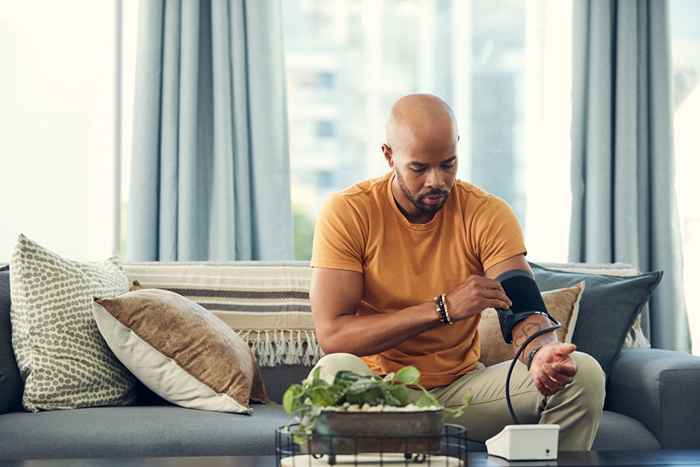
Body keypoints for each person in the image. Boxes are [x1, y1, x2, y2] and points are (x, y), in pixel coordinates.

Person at [308, 94, 605, 451]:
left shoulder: (486, 213)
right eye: (419, 168)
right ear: (389, 155)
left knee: (583, 373)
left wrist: (541, 352)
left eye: (448, 164)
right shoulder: (350, 212)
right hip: (378, 393)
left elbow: (523, 308)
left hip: (461, 394)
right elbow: (334, 336)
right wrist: (443, 308)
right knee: (333, 370)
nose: (436, 181)